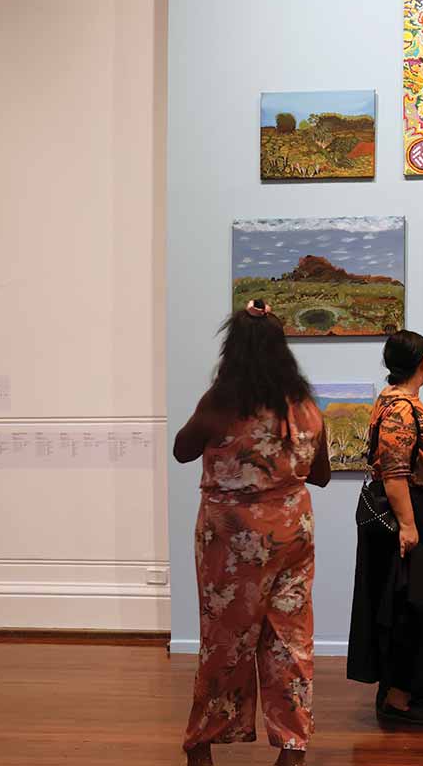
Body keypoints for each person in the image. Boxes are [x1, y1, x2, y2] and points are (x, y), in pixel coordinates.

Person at [174, 301, 330, 766]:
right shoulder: (302, 408)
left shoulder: (221, 405)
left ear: (232, 352)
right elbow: (319, 475)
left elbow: (183, 450)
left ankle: (202, 744)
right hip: (291, 537)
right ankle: (292, 748)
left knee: (227, 639)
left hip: (232, 541)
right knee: (290, 640)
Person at [347, 331, 423, 726]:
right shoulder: (400, 409)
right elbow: (394, 474)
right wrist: (409, 527)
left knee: (408, 601)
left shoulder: (397, 403)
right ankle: (399, 698)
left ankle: (403, 691)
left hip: (420, 513)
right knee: (413, 605)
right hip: (414, 514)